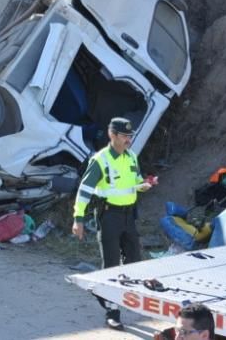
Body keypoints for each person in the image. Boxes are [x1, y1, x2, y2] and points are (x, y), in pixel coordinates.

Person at [72, 116, 153, 330]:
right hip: (109, 216)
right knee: (111, 264)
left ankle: (102, 291)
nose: (129, 140)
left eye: (130, 136)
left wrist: (143, 185)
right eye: (125, 136)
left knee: (134, 259)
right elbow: (84, 191)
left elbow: (135, 181)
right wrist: (78, 219)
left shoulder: (132, 157)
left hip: (129, 216)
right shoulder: (101, 160)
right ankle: (112, 311)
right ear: (112, 135)